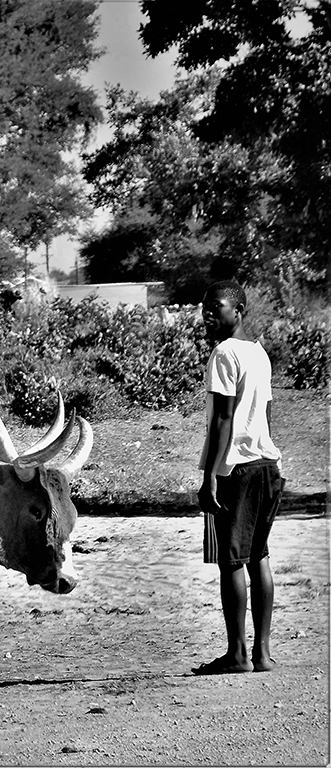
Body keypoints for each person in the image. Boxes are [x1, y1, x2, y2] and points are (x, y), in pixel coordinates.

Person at [193, 280, 284, 675]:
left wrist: (211, 475)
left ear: (239, 310)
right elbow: (265, 413)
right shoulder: (258, 352)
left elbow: (224, 419)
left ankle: (237, 655)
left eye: (216, 306)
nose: (207, 313)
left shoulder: (224, 353)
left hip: (236, 469)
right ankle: (262, 654)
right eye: (205, 307)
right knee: (258, 556)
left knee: (231, 560)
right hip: (266, 465)